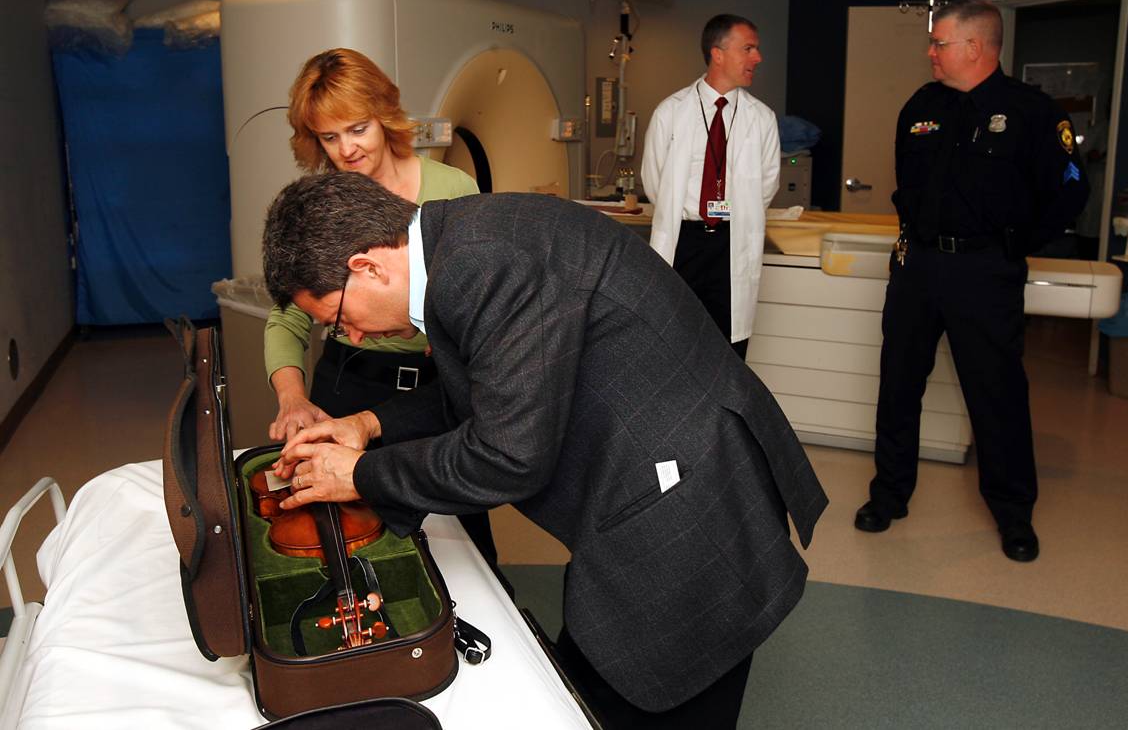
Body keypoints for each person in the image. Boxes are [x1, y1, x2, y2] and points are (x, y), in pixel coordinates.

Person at [260, 172, 827, 727]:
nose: (355, 337)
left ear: (367, 267)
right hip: (657, 468)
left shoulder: (481, 266)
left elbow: (507, 456)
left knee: (656, 690)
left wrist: (361, 474)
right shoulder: (459, 242)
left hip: (689, 497)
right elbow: (488, 392)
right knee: (585, 689)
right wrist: (368, 423)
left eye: (338, 319)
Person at [854, 0, 1089, 563]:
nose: (930, 52)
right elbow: (905, 180)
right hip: (918, 267)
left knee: (996, 393)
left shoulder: (1031, 112)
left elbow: (1069, 191)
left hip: (984, 272)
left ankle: (1013, 513)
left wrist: (1014, 244)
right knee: (898, 384)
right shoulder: (921, 106)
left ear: (976, 47)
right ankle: (889, 494)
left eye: (939, 42)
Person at [263, 48, 498, 566]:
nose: (346, 149)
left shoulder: (452, 188)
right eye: (329, 137)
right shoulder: (318, 202)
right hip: (350, 383)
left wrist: (451, 338)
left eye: (357, 129)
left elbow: (476, 288)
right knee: (350, 539)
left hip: (438, 389)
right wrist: (292, 398)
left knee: (466, 543)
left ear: (385, 117)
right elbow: (288, 314)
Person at [642, 14, 780, 360]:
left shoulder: (762, 119)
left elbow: (766, 186)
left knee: (728, 352)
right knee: (674, 345)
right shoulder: (670, 112)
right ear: (718, 54)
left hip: (731, 246)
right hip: (683, 243)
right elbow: (654, 183)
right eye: (748, 48)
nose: (758, 58)